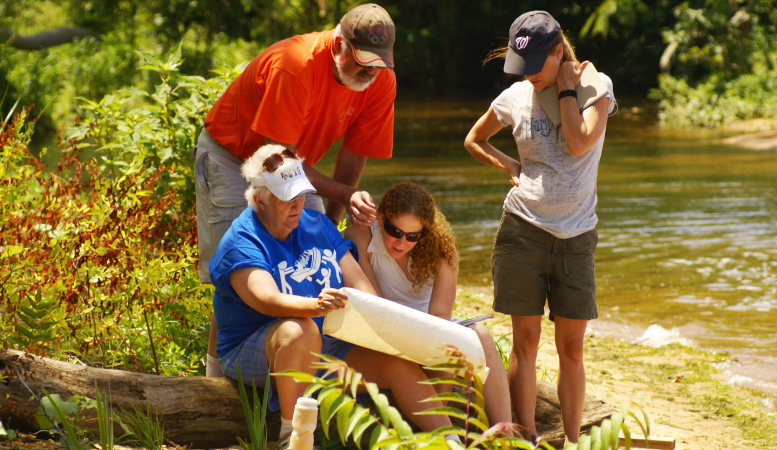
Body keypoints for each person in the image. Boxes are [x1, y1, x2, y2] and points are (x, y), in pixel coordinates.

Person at [195, 3, 397, 376]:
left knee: (311, 259)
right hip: (233, 153)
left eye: (378, 64)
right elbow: (279, 164)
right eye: (362, 63)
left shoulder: (380, 80)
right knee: (240, 263)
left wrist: (331, 226)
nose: (370, 73)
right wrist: (340, 193)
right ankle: (215, 377)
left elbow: (354, 155)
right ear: (338, 44)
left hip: (296, 163)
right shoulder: (297, 65)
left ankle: (295, 359)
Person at [209, 147, 453, 448]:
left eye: (300, 195)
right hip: (259, 349)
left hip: (327, 343)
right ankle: (293, 436)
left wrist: (402, 330)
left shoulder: (317, 224)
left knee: (396, 365)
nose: (297, 206)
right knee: (300, 330)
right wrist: (315, 306)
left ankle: (452, 441)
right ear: (260, 199)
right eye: (287, 198)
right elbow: (266, 298)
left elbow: (363, 288)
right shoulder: (242, 241)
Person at [463, 11, 617, 444]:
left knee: (571, 348)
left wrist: (566, 86)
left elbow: (579, 141)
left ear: (557, 51)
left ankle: (571, 441)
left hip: (575, 238)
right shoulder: (514, 97)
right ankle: (526, 439)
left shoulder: (595, 88)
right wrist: (510, 164)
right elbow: (474, 139)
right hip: (523, 231)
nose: (528, 77)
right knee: (524, 343)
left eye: (535, 67)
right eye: (520, 68)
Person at [344, 183, 513, 426]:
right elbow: (376, 307)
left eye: (413, 236)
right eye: (395, 231)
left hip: (430, 326)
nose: (402, 242)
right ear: (381, 219)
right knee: (446, 345)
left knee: (481, 336)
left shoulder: (442, 250)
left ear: (425, 231)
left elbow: (440, 316)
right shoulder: (361, 237)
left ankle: (503, 431)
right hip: (385, 327)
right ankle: (438, 429)